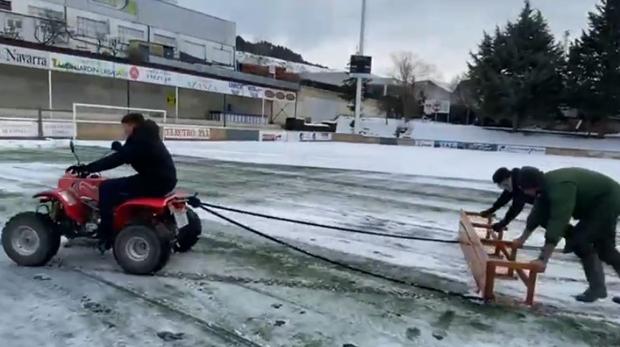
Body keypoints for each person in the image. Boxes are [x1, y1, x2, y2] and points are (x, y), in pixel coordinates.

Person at [67, 113, 177, 252]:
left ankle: (106, 233)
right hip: (166, 179)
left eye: (125, 127)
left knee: (106, 188)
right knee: (119, 188)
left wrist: (87, 168)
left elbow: (118, 159)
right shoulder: (147, 135)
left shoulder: (140, 139)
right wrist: (121, 150)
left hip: (154, 182)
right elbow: (131, 153)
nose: (124, 131)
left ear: (132, 125)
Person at [512, 166, 620, 303]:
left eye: (525, 189)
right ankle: (597, 288)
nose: (525, 193)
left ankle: (597, 288)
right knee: (604, 250)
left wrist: (543, 259)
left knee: (583, 243)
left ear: (532, 185)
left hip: (608, 201)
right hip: (599, 203)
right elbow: (537, 215)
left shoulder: (560, 187)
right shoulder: (544, 187)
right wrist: (521, 239)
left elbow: (559, 218)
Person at [480, 167, 535, 232]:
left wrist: (502, 224)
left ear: (506, 179)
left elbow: (516, 208)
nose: (503, 187)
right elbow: (504, 198)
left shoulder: (521, 183)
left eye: (503, 185)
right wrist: (491, 210)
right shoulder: (512, 182)